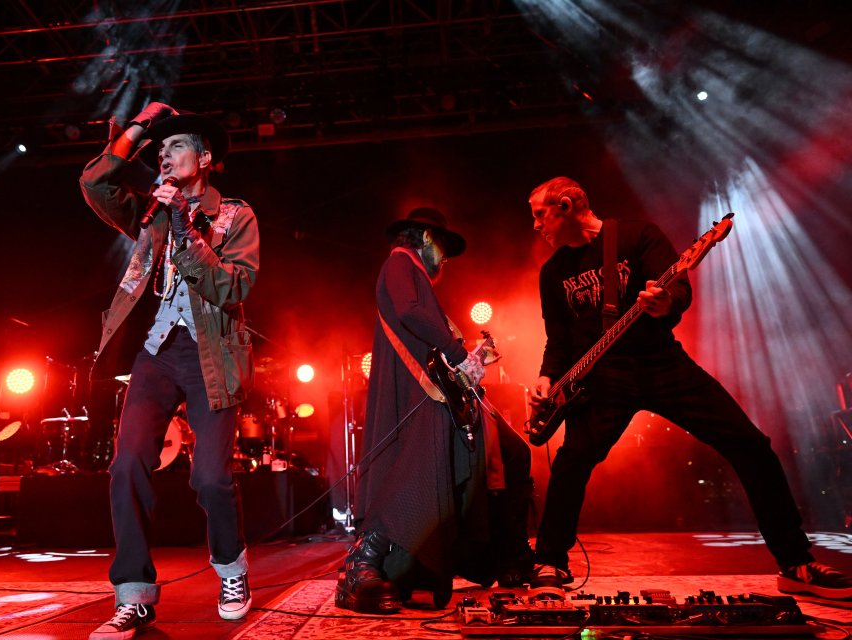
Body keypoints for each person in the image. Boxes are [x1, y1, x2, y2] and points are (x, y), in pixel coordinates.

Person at [527, 176, 852, 599]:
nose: (536, 225)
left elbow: (678, 286)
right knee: (572, 462)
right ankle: (550, 562)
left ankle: (795, 562)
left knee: (750, 444)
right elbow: (558, 339)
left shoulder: (636, 235)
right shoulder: (552, 272)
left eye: (539, 214)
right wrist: (545, 378)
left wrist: (664, 303)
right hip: (601, 380)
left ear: (566, 206)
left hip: (661, 363)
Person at [79, 102, 260, 638]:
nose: (164, 154)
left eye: (175, 146)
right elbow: (95, 183)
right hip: (156, 353)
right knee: (127, 464)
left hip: (213, 356)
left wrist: (184, 223)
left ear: (204, 159)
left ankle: (231, 570)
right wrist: (138, 126)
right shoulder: (149, 211)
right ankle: (133, 594)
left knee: (209, 477)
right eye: (160, 148)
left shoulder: (237, 215)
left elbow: (233, 287)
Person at [335, 207, 535, 614]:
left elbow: (425, 328)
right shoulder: (399, 262)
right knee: (416, 469)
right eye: (443, 248)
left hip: (434, 389)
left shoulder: (415, 272)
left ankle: (510, 557)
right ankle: (364, 561)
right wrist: (461, 353)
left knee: (508, 454)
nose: (445, 261)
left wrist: (467, 356)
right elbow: (410, 312)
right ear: (426, 237)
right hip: (417, 393)